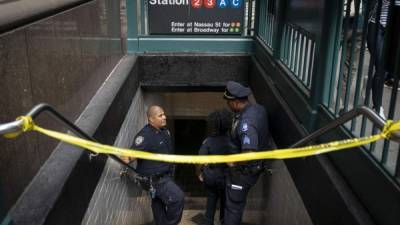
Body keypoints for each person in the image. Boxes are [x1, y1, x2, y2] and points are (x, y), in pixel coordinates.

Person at [122, 105, 184, 225]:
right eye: (160, 115)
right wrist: (125, 157)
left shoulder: (165, 131)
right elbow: (129, 156)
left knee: (158, 203)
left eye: (164, 114)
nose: (164, 117)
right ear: (151, 119)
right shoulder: (145, 136)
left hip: (165, 174)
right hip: (155, 180)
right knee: (178, 198)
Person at [222, 81, 273, 225]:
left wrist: (233, 162)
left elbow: (249, 153)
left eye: (228, 102)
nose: (227, 105)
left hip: (242, 173)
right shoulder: (258, 109)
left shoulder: (247, 124)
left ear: (236, 102)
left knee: (233, 207)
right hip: (250, 169)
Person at [197, 109, 234, 225]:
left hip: (211, 177)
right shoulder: (232, 141)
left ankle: (208, 221)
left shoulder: (209, 141)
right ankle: (223, 221)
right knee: (225, 203)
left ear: (214, 125)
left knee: (211, 203)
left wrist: (199, 173)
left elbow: (199, 159)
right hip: (226, 178)